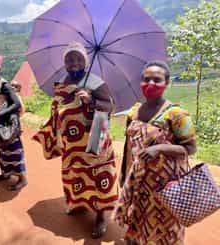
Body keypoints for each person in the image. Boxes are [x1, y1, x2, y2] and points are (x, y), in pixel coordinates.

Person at [33, 42, 119, 238]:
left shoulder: (96, 82)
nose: (74, 63)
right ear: (64, 62)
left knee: (97, 174)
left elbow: (109, 105)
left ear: (85, 61)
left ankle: (100, 215)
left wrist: (91, 100)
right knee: (75, 172)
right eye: (69, 59)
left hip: (95, 133)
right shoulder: (63, 81)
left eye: (78, 59)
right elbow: (60, 105)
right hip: (72, 139)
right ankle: (79, 203)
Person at [114, 61, 197, 245]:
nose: (150, 83)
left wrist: (159, 148)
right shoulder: (134, 112)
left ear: (166, 83)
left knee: (164, 229)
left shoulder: (177, 115)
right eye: (146, 79)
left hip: (165, 187)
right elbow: (129, 145)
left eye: (157, 80)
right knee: (136, 219)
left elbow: (190, 148)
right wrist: (123, 174)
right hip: (138, 182)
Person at [0, 55, 28, 191]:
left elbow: (15, 104)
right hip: (0, 123)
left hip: (9, 123)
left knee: (15, 150)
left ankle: (23, 179)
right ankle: (6, 173)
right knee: (2, 150)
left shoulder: (4, 85)